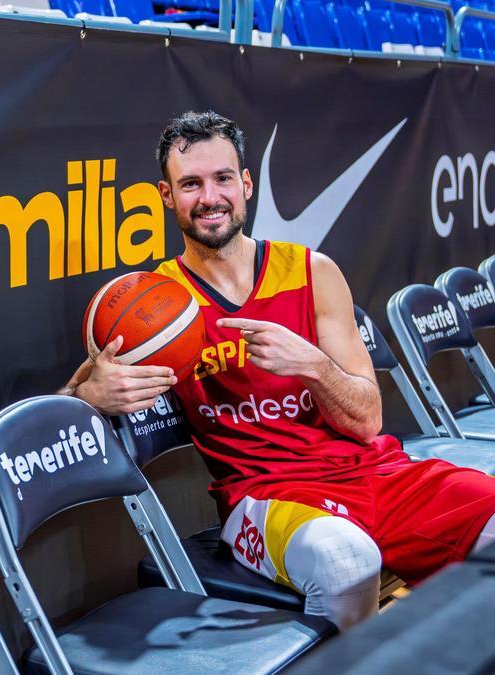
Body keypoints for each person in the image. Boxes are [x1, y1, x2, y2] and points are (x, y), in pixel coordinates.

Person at [61, 110, 495, 629]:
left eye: (223, 178)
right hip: (263, 495)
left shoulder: (312, 272)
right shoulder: (155, 307)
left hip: (374, 473)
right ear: (166, 196)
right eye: (190, 184)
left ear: (245, 184)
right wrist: (90, 398)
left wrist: (312, 364)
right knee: (345, 561)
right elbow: (70, 407)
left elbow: (367, 421)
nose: (210, 197)